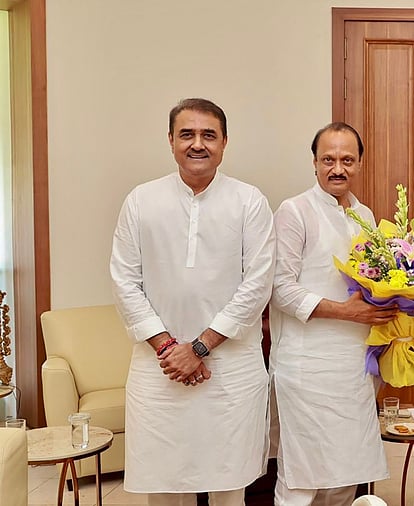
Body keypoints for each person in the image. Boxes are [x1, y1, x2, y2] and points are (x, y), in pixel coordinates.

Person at [110, 98, 275, 505]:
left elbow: (257, 284)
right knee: (164, 485)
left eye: (208, 135)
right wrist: (170, 348)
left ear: (224, 143)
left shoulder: (249, 201)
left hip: (231, 369)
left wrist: (200, 347)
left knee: (229, 482)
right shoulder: (140, 200)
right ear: (170, 141)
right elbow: (124, 281)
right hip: (159, 369)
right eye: (187, 134)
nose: (197, 144)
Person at [268, 122, 396, 506]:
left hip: (354, 365)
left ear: (359, 163)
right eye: (328, 159)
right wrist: (347, 312)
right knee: (303, 476)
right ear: (314, 162)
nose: (337, 168)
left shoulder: (366, 216)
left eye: (346, 160)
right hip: (307, 365)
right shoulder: (294, 211)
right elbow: (280, 288)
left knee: (346, 472)